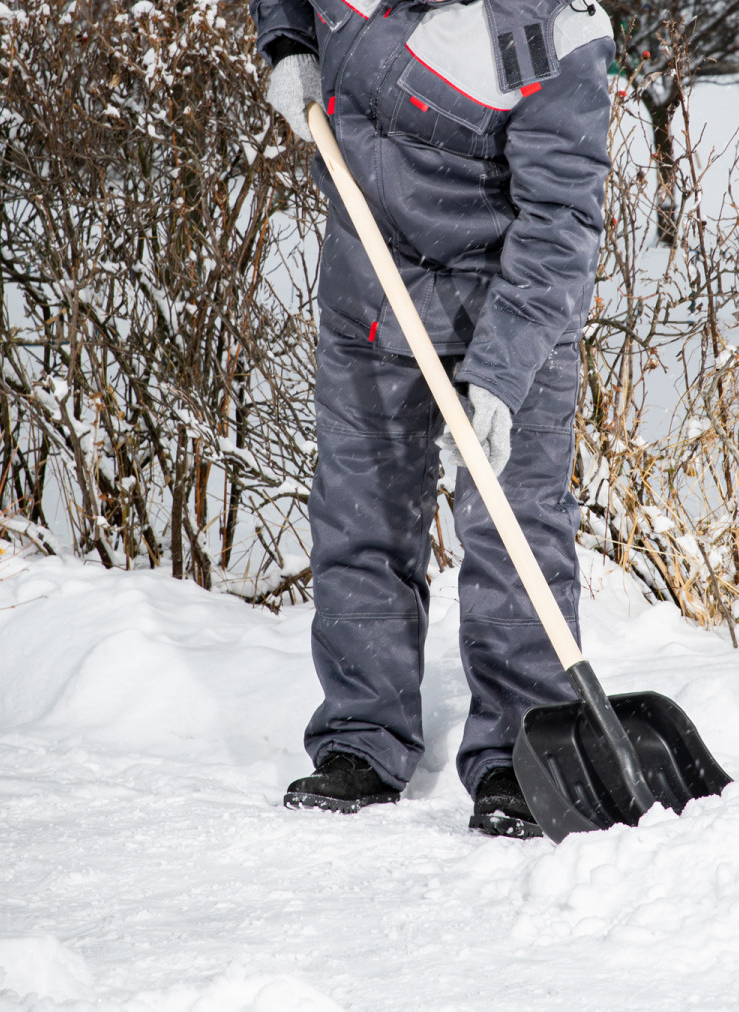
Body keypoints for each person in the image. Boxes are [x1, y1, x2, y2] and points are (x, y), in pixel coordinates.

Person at [249, 0, 613, 836]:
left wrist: (501, 376)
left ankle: (522, 749)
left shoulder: (557, 29)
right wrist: (289, 41)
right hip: (369, 293)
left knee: (516, 528)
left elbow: (561, 219)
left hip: (509, 308)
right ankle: (360, 738)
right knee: (361, 515)